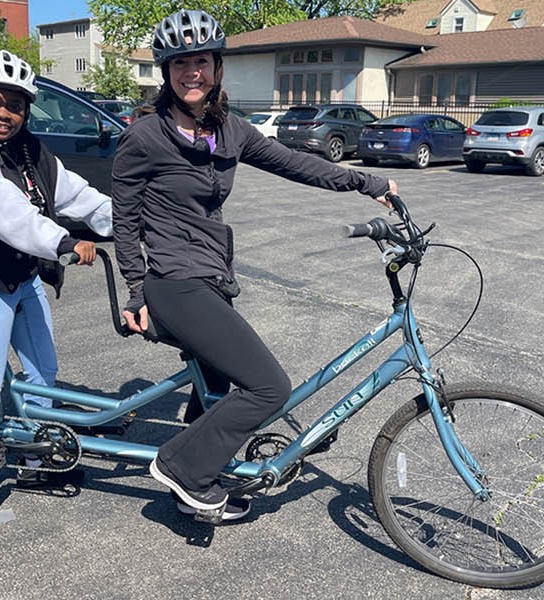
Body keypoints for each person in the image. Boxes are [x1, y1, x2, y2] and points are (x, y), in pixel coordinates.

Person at [110, 10, 397, 521]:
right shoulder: (145, 137)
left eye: (200, 61)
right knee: (269, 387)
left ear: (216, 68)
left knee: (216, 387)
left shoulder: (229, 129)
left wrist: (364, 182)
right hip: (174, 284)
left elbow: (294, 162)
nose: (190, 72)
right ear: (165, 72)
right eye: (179, 63)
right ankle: (183, 468)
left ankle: (201, 479)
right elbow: (124, 219)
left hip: (212, 279)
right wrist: (135, 290)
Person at [0, 50, 114, 553]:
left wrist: (142, 227)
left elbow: (83, 199)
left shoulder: (30, 151)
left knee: (43, 375)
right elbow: (5, 211)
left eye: (14, 103)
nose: (4, 112)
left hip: (20, 277)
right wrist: (62, 243)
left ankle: (32, 461)